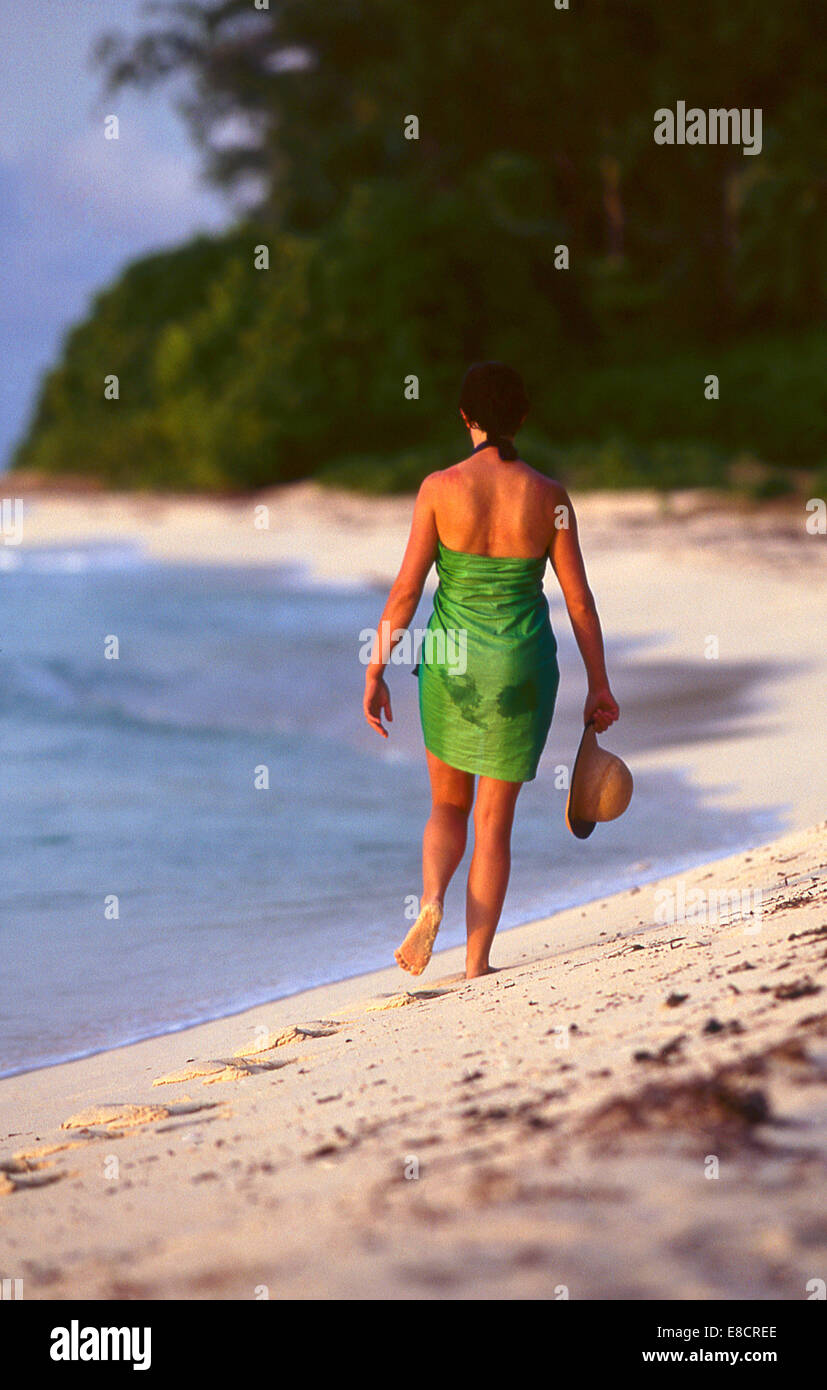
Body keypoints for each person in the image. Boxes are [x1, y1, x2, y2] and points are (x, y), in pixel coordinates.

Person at [363, 361, 619, 979]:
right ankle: (477, 963)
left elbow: (404, 592)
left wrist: (376, 670)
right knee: (492, 824)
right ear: (523, 417)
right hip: (521, 668)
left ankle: (430, 903)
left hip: (451, 663)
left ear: (465, 416)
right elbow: (579, 601)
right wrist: (600, 683)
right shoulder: (550, 498)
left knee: (447, 808)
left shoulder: (438, 489)